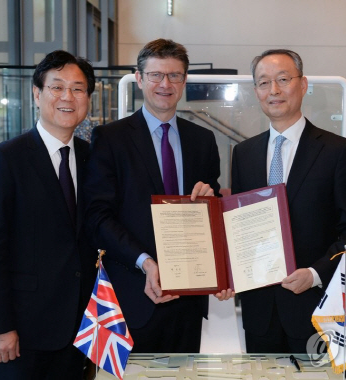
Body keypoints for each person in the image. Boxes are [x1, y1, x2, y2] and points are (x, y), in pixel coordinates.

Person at [84, 38, 226, 353]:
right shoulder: (110, 139)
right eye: (155, 75)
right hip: (133, 297)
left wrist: (210, 201)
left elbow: (211, 212)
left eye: (174, 75)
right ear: (139, 78)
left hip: (188, 299)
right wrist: (147, 263)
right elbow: (98, 217)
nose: (165, 84)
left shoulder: (202, 140)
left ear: (185, 80)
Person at [0, 50, 97, 379]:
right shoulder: (5, 159)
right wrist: (0, 327)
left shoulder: (93, 158)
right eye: (57, 87)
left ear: (88, 98)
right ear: (36, 93)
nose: (67, 97)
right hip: (24, 332)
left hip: (81, 330)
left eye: (78, 88)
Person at [231, 49, 346, 353]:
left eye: (283, 80)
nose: (273, 90)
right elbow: (238, 226)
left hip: (316, 308)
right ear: (256, 92)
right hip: (259, 310)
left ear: (302, 86)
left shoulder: (338, 152)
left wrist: (316, 274)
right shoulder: (244, 153)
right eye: (264, 83)